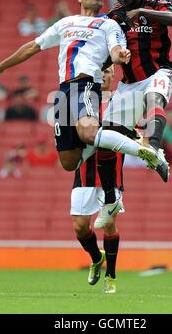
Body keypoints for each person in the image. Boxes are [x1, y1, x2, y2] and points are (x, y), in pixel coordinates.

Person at [0, 0, 156, 216]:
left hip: (85, 85)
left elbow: (115, 50)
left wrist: (119, 54)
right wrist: (1, 67)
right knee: (69, 162)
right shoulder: (65, 23)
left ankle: (143, 151)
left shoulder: (108, 25)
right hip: (63, 94)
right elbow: (33, 46)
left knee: (89, 132)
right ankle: (112, 143)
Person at [104, 0, 172, 185]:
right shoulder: (115, 16)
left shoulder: (155, 1)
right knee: (107, 140)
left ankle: (155, 149)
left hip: (159, 71)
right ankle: (113, 198)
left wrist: (142, 12)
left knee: (154, 98)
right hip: (129, 84)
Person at [71, 66, 123, 294]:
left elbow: (135, 131)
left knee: (109, 224)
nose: (104, 75)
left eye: (109, 71)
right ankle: (95, 257)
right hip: (84, 173)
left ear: (114, 75)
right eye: (101, 71)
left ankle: (111, 276)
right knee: (80, 227)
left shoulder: (122, 101)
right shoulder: (84, 102)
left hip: (111, 174)